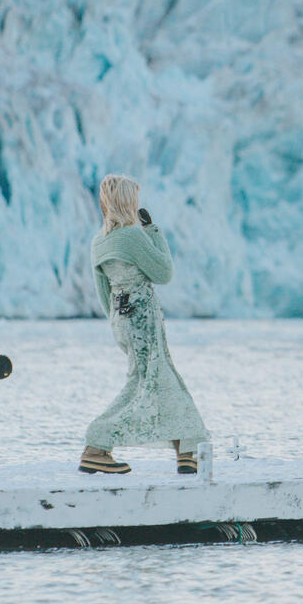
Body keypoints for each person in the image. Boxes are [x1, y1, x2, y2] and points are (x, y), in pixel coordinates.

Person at [79, 174, 209, 475]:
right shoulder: (133, 236)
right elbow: (164, 273)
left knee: (162, 379)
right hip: (143, 317)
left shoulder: (99, 241)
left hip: (121, 319)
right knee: (145, 384)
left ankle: (187, 450)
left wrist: (118, 325)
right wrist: (153, 231)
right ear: (128, 202)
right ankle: (97, 445)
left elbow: (103, 293)